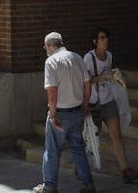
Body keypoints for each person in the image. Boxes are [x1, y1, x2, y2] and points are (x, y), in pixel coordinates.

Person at [35, 32, 96, 193]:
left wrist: (53, 114)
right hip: (77, 112)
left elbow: (52, 90)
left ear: (49, 46)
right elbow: (88, 83)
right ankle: (87, 184)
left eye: (45, 46)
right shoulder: (77, 57)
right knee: (78, 148)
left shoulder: (51, 61)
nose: (45, 49)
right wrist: (85, 104)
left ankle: (49, 186)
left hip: (61, 113)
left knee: (52, 150)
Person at [85, 29, 138, 183]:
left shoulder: (109, 55)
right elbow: (87, 81)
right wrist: (104, 76)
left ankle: (125, 170)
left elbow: (109, 75)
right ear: (95, 42)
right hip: (93, 104)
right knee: (90, 139)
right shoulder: (89, 58)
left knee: (116, 135)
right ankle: (83, 170)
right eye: (102, 38)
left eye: (106, 37)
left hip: (108, 101)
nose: (105, 40)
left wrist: (117, 76)